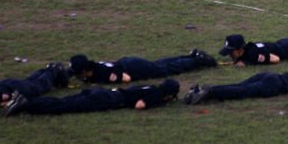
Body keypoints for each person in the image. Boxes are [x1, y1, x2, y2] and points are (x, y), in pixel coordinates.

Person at [184, 59, 288, 104]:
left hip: (270, 75)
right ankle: (210, 92)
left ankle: (202, 90)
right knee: (242, 91)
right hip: (275, 85)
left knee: (239, 85)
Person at [5, 80, 179, 117]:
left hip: (104, 92)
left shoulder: (150, 87)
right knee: (64, 106)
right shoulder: (156, 94)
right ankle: (25, 105)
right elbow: (140, 105)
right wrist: (159, 103)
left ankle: (25, 103)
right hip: (107, 100)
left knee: (65, 101)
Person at [0, 63, 69, 111]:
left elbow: (10, 98)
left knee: (41, 85)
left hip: (17, 89)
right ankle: (45, 70)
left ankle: (54, 69)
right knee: (31, 81)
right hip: (7, 83)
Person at [68, 50, 216, 84]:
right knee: (161, 63)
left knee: (165, 69)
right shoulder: (95, 66)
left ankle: (198, 61)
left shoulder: (102, 75)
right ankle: (192, 55)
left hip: (133, 69)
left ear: (84, 71)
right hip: (129, 61)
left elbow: (126, 78)